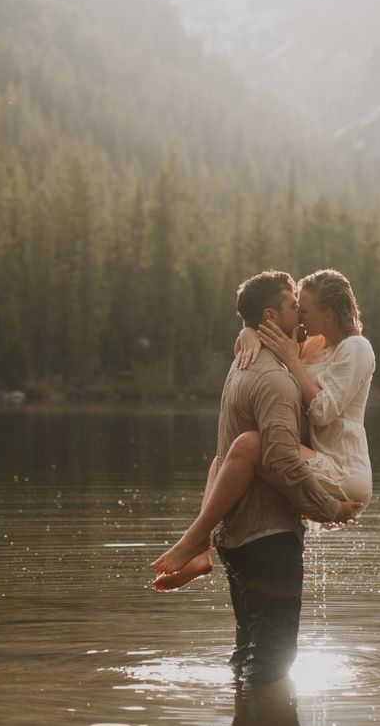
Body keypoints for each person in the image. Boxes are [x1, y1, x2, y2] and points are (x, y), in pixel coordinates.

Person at [151, 271, 359, 686]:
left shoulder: (242, 364)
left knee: (247, 654)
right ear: (270, 315)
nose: (299, 312)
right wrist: (328, 509)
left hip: (237, 537)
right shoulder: (275, 380)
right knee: (272, 666)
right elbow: (281, 458)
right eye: (291, 306)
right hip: (269, 538)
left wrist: (248, 331)